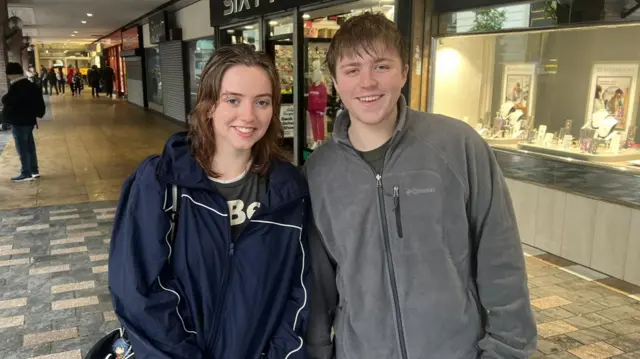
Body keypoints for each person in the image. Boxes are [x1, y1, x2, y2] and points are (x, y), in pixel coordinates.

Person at [304, 13, 537, 359]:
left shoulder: (457, 145)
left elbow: (500, 255)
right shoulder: (318, 173)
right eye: (352, 69)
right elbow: (318, 286)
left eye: (381, 66)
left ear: (404, 72)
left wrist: (506, 348)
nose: (367, 82)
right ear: (336, 81)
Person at [108, 44, 310, 359]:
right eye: (233, 100)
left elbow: (299, 294)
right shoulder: (162, 182)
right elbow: (138, 293)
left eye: (262, 102)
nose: (248, 116)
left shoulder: (287, 191)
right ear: (209, 105)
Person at [2, 63, 46, 182]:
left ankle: (26, 172)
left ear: (12, 74)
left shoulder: (17, 86)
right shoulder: (30, 85)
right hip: (30, 120)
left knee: (22, 148)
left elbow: (8, 99)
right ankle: (34, 170)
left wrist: (4, 99)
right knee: (30, 147)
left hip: (19, 121)